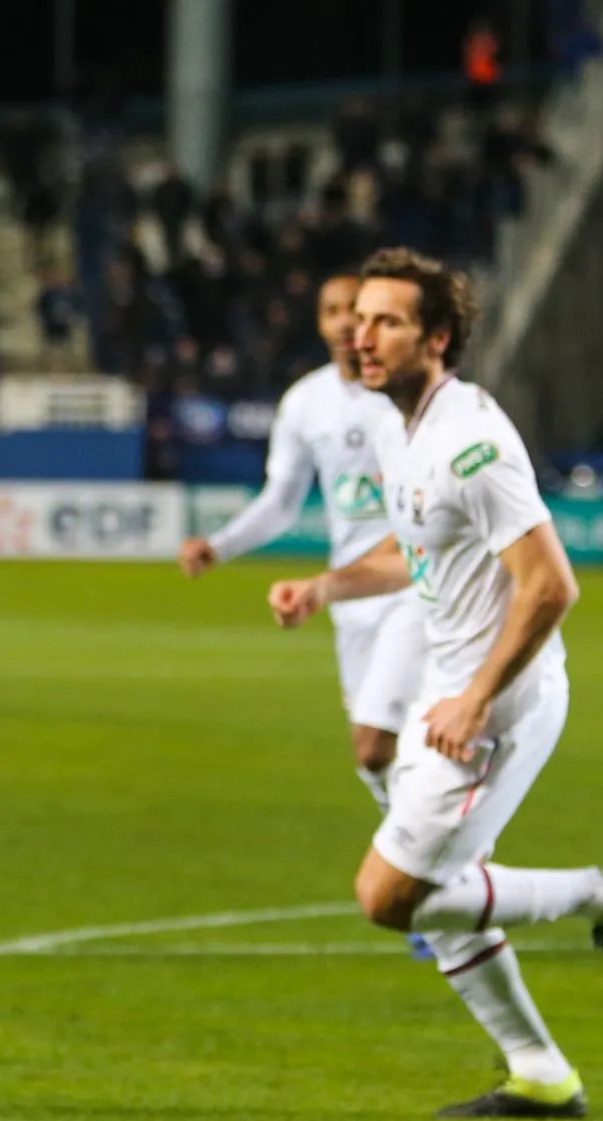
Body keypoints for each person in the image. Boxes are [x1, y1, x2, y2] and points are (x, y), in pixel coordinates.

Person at [268, 247, 603, 1119]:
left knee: (390, 895)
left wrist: (477, 696)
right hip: (444, 695)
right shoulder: (404, 426)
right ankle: (541, 1071)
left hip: (493, 705)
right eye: (358, 318)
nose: (362, 337)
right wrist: (325, 586)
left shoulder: (470, 440)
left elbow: (551, 583)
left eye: (388, 322)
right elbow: (415, 555)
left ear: (437, 338)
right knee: (434, 887)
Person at [180, 273, 424, 814]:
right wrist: (220, 546)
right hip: (347, 593)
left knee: (382, 740)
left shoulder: (406, 395)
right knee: (377, 761)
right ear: (319, 322)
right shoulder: (306, 402)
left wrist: (410, 533)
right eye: (331, 310)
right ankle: (442, 867)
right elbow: (282, 500)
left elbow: (436, 499)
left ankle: (439, 863)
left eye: (355, 311)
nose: (343, 322)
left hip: (413, 585)